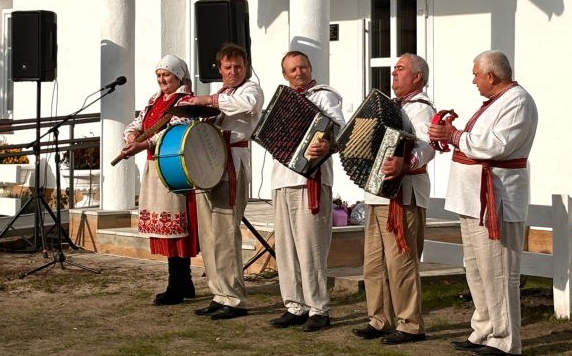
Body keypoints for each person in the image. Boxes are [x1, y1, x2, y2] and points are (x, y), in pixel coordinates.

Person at [429, 50, 538, 356]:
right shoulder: (494, 103)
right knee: (476, 269)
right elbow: (473, 142)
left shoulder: (518, 101)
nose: (473, 79)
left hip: (497, 199)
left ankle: (505, 341)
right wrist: (448, 136)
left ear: (491, 76)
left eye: (476, 73)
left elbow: (496, 145)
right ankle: (484, 329)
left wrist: (454, 135)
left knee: (499, 270)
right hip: (472, 200)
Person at [352, 53, 436, 345]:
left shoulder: (421, 109)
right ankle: (380, 319)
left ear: (417, 76)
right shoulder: (390, 108)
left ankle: (411, 325)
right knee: (373, 264)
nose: (393, 74)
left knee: (401, 262)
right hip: (378, 195)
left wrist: (406, 163)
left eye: (400, 69)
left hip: (404, 194)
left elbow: (427, 146)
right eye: (392, 70)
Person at [184, 43, 264, 320]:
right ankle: (219, 292)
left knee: (226, 231)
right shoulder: (221, 93)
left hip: (232, 163)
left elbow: (247, 105)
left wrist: (206, 101)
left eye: (238, 66)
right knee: (209, 232)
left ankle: (234, 298)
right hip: (208, 164)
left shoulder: (250, 89)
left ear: (246, 67)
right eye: (228, 67)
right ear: (219, 69)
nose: (233, 71)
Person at [269, 51, 345, 333]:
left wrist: (328, 142)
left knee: (311, 248)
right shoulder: (282, 101)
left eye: (302, 67)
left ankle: (319, 309)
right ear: (285, 75)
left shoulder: (324, 95)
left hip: (311, 179)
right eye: (292, 69)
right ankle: (294, 305)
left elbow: (339, 128)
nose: (298, 72)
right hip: (281, 180)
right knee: (287, 248)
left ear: (310, 68)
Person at [122, 55, 196, 306]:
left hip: (173, 168)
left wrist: (143, 143)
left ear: (178, 76)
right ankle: (182, 283)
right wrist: (132, 134)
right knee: (164, 229)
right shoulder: (155, 100)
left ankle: (178, 282)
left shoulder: (185, 101)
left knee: (174, 227)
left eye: (167, 75)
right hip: (154, 168)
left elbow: (170, 130)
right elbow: (139, 122)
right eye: (159, 75)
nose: (162, 79)